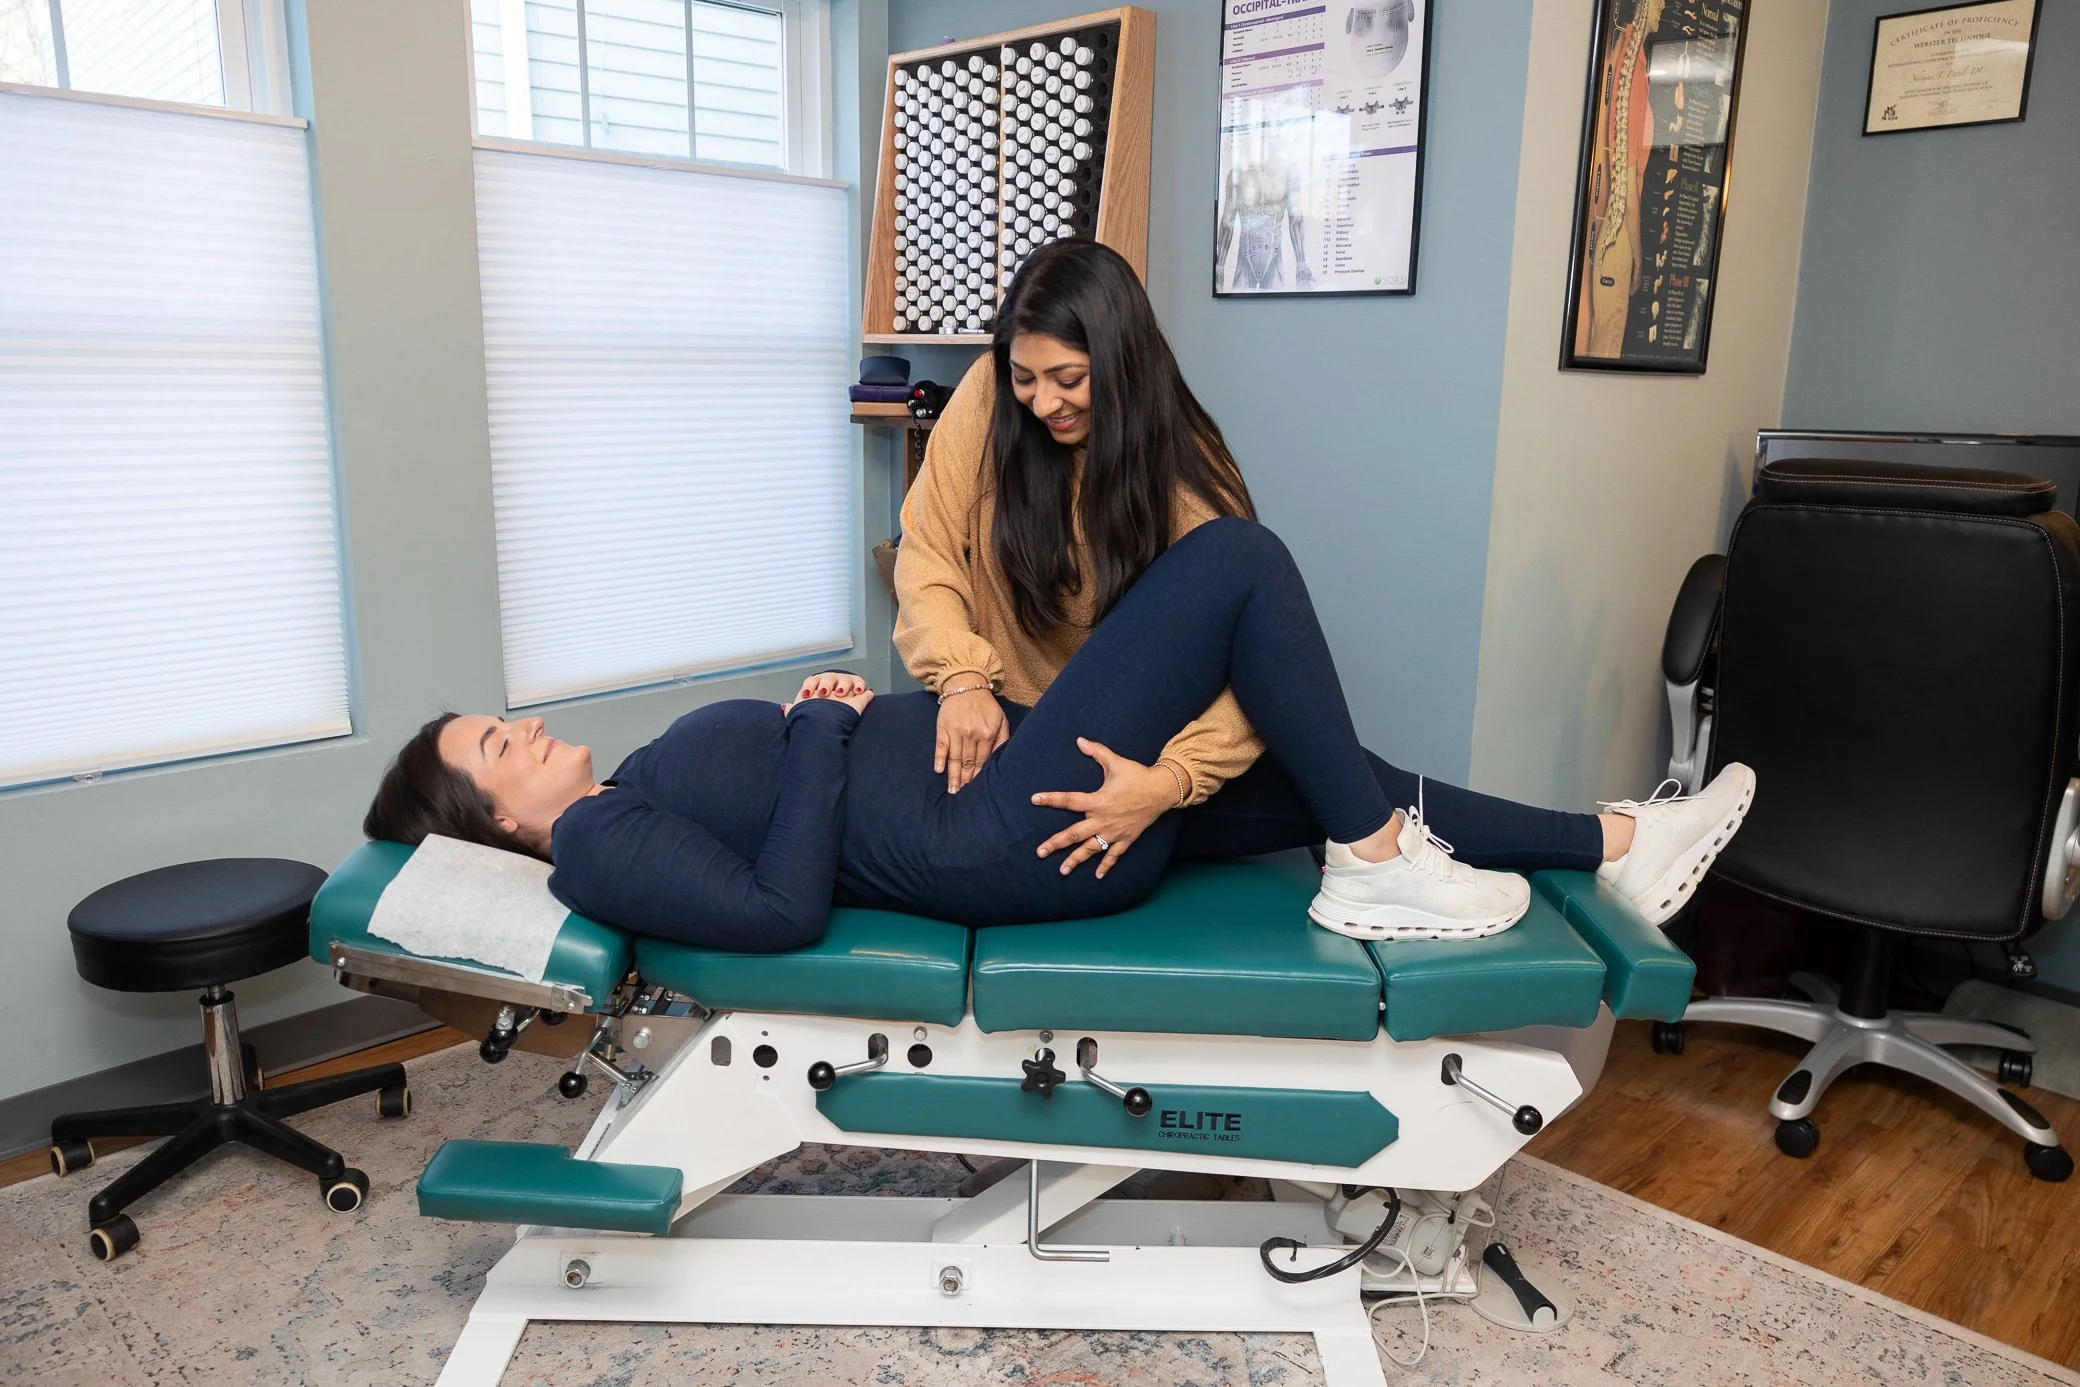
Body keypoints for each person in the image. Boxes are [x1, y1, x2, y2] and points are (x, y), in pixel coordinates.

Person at [364, 517, 1755, 951]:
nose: (527, 728)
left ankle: (1614, 843)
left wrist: (824, 726)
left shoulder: (626, 798)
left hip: (1008, 798)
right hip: (997, 836)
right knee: (1237, 565)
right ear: (501, 822)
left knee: (1329, 772)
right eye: (499, 747)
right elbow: (780, 911)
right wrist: (822, 731)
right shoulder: (594, 845)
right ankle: (1381, 862)